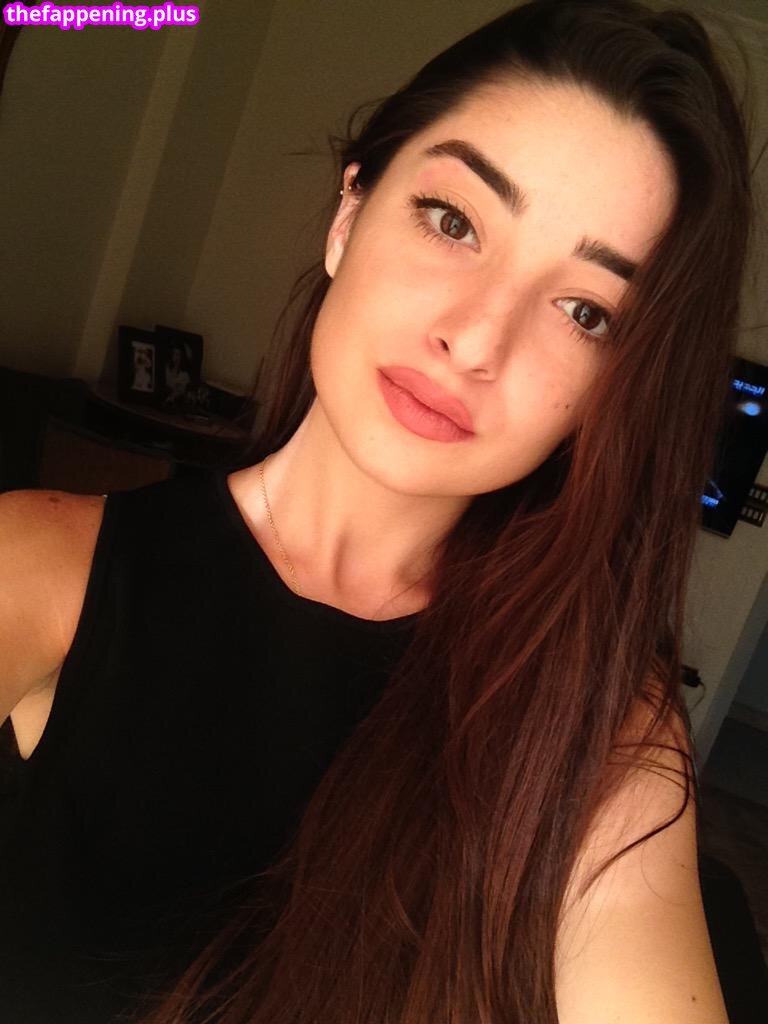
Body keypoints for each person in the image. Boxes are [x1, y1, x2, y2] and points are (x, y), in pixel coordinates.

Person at [0, 1, 755, 1022]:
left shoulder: (600, 726)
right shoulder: (37, 565)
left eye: (585, 311)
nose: (476, 339)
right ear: (348, 216)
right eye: (454, 222)